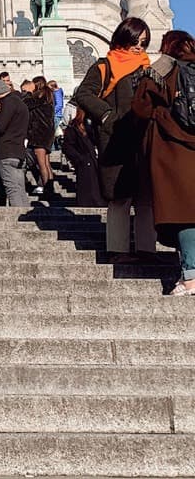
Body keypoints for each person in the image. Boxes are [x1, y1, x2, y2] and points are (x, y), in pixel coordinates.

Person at [75, 17, 154, 263]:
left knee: (145, 196)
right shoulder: (104, 65)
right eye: (135, 40)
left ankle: (146, 250)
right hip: (116, 139)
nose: (139, 46)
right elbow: (84, 93)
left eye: (143, 41)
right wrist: (107, 115)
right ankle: (118, 249)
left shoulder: (148, 68)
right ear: (123, 37)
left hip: (144, 138)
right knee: (120, 197)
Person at [131, 30, 195, 294]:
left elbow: (140, 107)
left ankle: (190, 277)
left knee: (183, 214)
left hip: (172, 149)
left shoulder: (164, 68)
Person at [0, 78, 30, 207]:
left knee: (12, 189)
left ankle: (18, 220)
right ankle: (25, 215)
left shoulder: (8, 102)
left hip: (6, 150)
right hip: (19, 151)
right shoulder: (21, 103)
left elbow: (0, 127)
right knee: (20, 189)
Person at [62, 107, 103, 207]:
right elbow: (68, 146)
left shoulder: (89, 127)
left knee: (93, 186)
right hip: (84, 161)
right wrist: (80, 159)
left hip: (91, 160)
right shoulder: (74, 128)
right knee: (87, 188)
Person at [25, 76, 57, 198]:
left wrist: (27, 92)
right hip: (48, 132)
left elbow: (27, 104)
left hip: (39, 133)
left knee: (41, 163)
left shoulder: (39, 95)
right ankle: (50, 187)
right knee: (46, 163)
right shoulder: (48, 95)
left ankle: (47, 189)